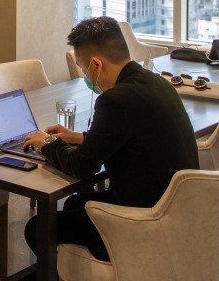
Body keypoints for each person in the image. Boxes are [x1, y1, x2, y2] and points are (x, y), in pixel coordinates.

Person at [21, 16, 199, 261]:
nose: (85, 76)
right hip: (175, 208)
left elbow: (82, 167)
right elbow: (129, 134)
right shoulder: (153, 81)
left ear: (96, 64)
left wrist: (48, 143)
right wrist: (79, 138)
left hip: (145, 222)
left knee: (37, 228)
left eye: (84, 69)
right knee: (74, 205)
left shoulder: (116, 100)